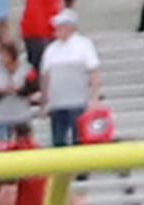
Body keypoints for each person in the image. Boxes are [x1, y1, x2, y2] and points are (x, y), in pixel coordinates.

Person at [41, 9, 102, 145]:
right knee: (58, 141)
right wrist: (44, 102)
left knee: (79, 140)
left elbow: (94, 72)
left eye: (60, 26)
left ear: (70, 27)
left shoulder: (84, 45)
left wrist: (94, 98)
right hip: (57, 104)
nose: (57, 29)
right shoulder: (51, 49)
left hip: (78, 103)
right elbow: (46, 77)